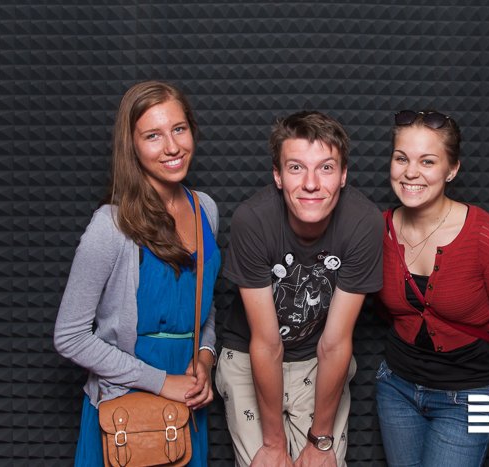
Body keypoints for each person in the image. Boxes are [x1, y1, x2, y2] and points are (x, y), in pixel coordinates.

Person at [53, 80, 221, 467]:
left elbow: (205, 306)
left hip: (188, 401)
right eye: (153, 136)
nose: (172, 147)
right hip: (126, 408)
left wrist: (205, 358)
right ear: (131, 146)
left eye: (179, 129)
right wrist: (162, 382)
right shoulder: (110, 226)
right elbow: (69, 336)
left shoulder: (205, 209)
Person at [216, 111, 383, 467]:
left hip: (317, 360)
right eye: (296, 168)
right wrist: (274, 443)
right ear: (277, 175)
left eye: (326, 168)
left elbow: (335, 343)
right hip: (249, 356)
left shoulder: (363, 222)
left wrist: (320, 441)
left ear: (343, 175)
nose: (311, 183)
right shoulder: (253, 220)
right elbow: (266, 343)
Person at [375, 110, 489, 467]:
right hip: (395, 389)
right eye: (401, 158)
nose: (410, 172)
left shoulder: (484, 234)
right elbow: (386, 310)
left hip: (470, 396)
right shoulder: (378, 230)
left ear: (452, 169)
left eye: (427, 161)